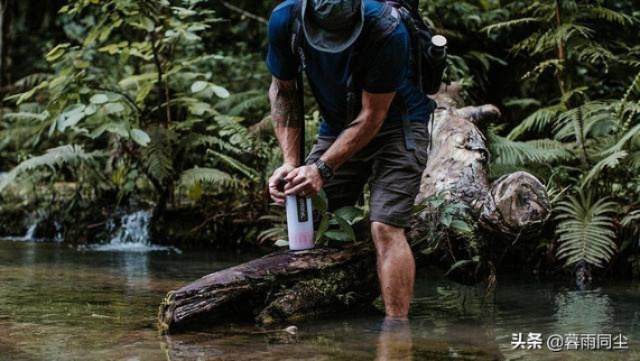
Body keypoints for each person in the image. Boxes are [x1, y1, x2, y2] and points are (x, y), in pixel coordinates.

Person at [266, 0, 431, 320]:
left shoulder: (387, 29)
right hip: (338, 123)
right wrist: (291, 163)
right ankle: (307, 321)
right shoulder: (285, 20)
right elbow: (284, 92)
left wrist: (322, 168)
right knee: (304, 210)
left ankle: (396, 334)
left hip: (399, 123)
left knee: (385, 226)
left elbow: (373, 116)